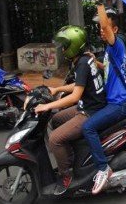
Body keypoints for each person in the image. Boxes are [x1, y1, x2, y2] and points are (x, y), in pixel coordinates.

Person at [34, 25, 106, 195]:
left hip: (90, 111)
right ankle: (73, 157)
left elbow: (75, 96)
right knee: (56, 120)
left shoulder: (82, 62)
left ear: (73, 46)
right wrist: (57, 90)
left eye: (65, 45)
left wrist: (47, 106)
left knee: (54, 139)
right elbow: (80, 84)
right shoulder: (86, 58)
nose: (63, 49)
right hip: (87, 105)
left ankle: (67, 175)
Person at [84, 0, 126, 195]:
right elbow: (110, 69)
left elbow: (104, 25)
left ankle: (104, 168)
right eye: (102, 28)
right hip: (112, 101)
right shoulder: (110, 50)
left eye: (106, 28)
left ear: (114, 29)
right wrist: (97, 62)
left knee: (88, 127)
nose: (102, 31)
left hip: (119, 103)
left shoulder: (117, 43)